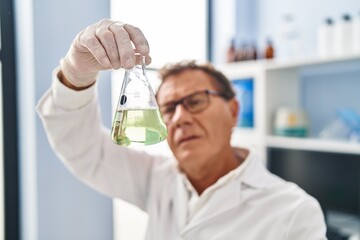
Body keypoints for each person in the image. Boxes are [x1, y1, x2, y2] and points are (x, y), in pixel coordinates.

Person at [37, 18, 327, 240]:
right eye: (168, 108)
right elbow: (82, 149)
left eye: (195, 101)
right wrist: (76, 73)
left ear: (233, 111)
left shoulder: (294, 211)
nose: (179, 118)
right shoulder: (157, 179)